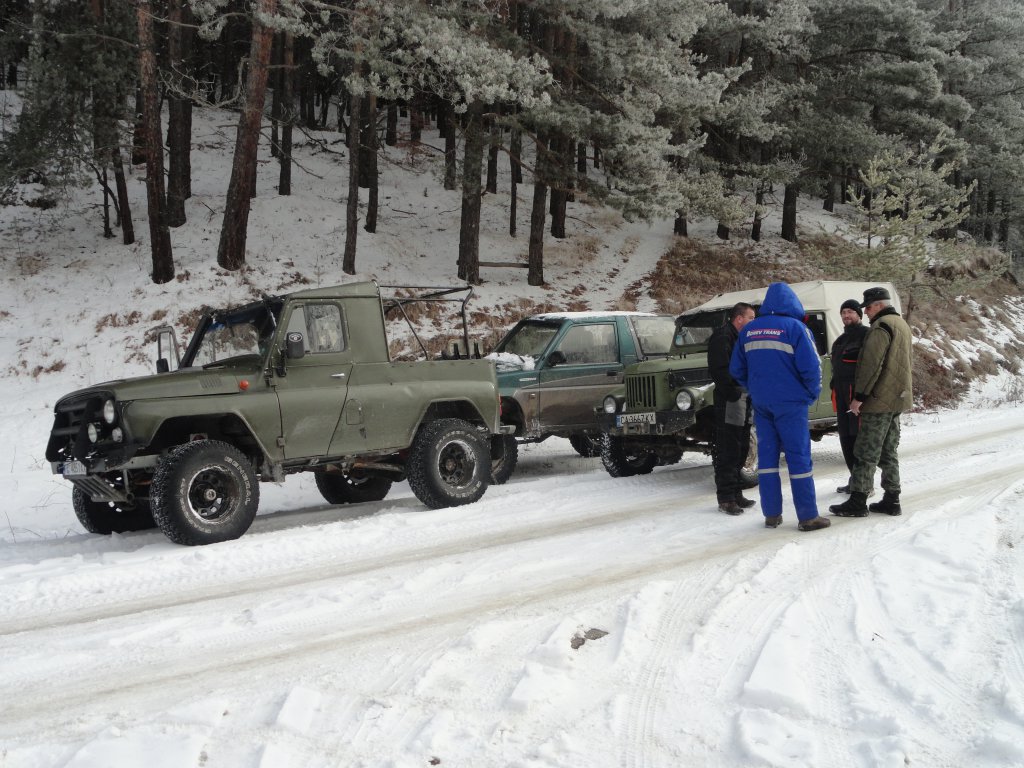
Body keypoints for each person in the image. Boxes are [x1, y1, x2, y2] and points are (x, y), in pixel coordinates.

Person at [731, 282, 831, 532]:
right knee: (799, 460)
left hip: (762, 404)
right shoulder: (797, 328)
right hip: (792, 404)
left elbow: (736, 370)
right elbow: (812, 368)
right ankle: (808, 516)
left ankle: (772, 515)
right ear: (792, 303)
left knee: (767, 461)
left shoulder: (749, 331)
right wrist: (809, 395)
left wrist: (756, 388)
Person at [829, 286, 912, 518]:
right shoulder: (901, 324)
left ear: (878, 305)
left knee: (865, 451)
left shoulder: (880, 327)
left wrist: (859, 397)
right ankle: (891, 499)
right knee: (888, 450)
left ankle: (857, 501)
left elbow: (870, 365)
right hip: (897, 398)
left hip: (878, 400)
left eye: (867, 307)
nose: (865, 312)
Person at [708, 302, 756, 515]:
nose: (753, 322)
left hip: (743, 398)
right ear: (739, 319)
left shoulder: (741, 337)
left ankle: (736, 492)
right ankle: (726, 497)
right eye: (751, 318)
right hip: (730, 400)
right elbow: (719, 370)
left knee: (742, 446)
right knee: (729, 448)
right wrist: (734, 393)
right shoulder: (722, 337)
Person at [830, 299, 869, 493]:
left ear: (859, 315)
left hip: (857, 398)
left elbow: (870, 368)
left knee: (859, 441)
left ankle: (865, 484)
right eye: (843, 312)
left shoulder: (866, 336)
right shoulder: (840, 340)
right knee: (845, 439)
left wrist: (861, 396)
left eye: (850, 312)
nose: (846, 316)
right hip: (841, 395)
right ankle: (854, 479)